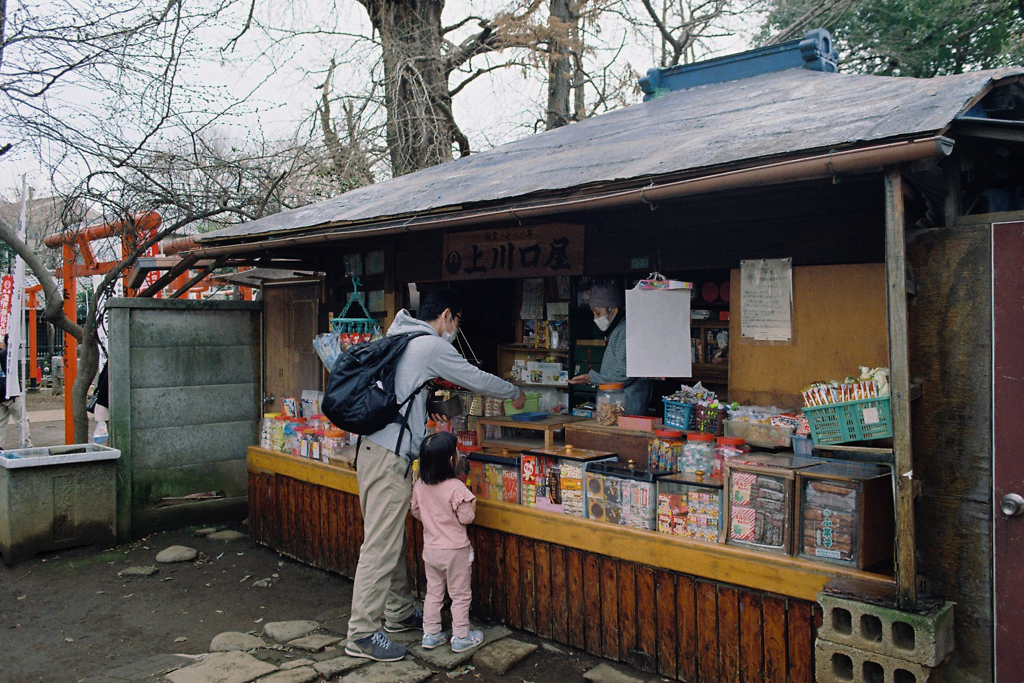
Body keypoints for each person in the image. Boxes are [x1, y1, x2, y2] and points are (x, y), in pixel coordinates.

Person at [344, 289, 526, 662]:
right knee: (380, 545)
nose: (456, 330)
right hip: (386, 454)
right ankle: (361, 633)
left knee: (388, 538)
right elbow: (475, 378)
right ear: (446, 315)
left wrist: (427, 403)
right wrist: (514, 391)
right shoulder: (429, 344)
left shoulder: (398, 334)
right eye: (457, 322)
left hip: (374, 451)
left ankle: (396, 613)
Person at [410, 432, 483, 653]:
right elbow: (466, 518)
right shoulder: (456, 488)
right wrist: (473, 504)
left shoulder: (420, 485)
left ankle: (430, 633)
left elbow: (415, 510)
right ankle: (461, 635)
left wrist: (434, 521)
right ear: (451, 460)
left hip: (431, 549)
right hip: (455, 551)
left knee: (434, 591)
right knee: (460, 594)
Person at [568, 284, 655, 416]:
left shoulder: (626, 330)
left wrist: (592, 377)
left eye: (598, 313)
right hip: (617, 403)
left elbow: (624, 374)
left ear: (613, 310)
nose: (595, 318)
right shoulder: (619, 329)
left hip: (627, 404)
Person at [0, 336, 31, 449]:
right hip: (11, 392)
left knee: (1, 422)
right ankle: (26, 444)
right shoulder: (6, 355)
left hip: (0, 396)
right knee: (21, 420)